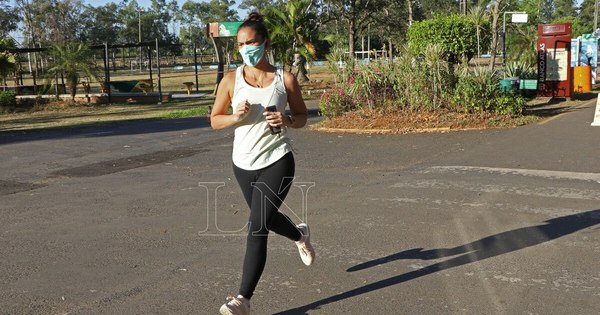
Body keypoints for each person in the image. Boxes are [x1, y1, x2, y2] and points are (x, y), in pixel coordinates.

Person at [210, 12, 316, 315]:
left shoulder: (285, 79)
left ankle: (242, 300)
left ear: (264, 42)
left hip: (278, 160)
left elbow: (303, 117)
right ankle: (300, 235)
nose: (245, 48)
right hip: (242, 163)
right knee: (265, 219)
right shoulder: (231, 80)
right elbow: (215, 120)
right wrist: (235, 117)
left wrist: (286, 119)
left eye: (251, 42)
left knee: (256, 226)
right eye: (240, 44)